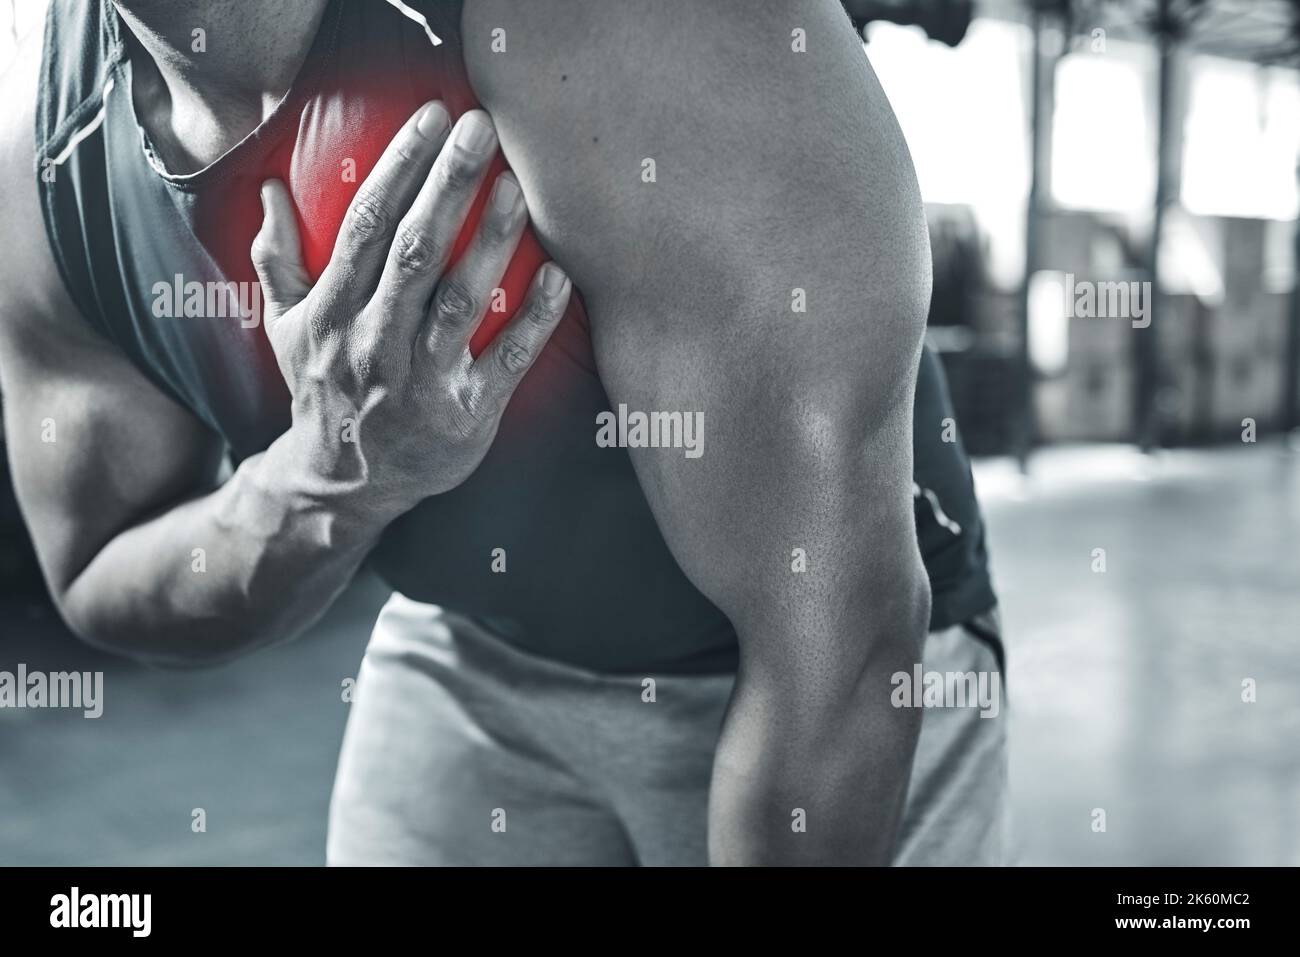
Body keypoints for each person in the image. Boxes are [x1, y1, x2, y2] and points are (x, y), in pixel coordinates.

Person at [0, 0, 1004, 865]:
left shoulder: (642, 34)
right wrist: (327, 480)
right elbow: (96, 575)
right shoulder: (49, 171)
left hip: (799, 670)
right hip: (467, 641)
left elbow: (840, 648)